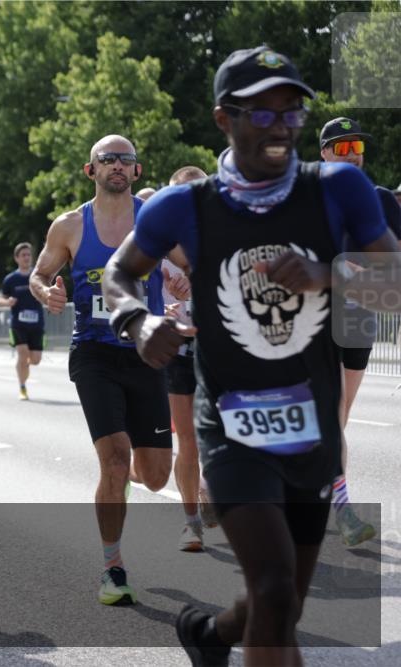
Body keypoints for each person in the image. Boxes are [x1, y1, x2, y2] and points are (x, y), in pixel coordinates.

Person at [101, 46, 398, 665]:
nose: (280, 126)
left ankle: (210, 636)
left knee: (282, 603)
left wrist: (329, 275)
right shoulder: (185, 205)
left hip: (312, 426)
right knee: (273, 589)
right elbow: (119, 273)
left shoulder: (338, 188)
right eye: (261, 113)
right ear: (224, 119)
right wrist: (136, 319)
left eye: (290, 112)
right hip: (232, 424)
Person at [30, 134, 173, 606]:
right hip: (93, 353)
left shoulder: (155, 220)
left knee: (155, 476)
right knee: (113, 460)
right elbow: (40, 274)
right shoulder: (70, 226)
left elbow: (192, 261)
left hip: (146, 353)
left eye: (125, 160)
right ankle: (113, 567)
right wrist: (46, 292)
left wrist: (186, 279)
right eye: (107, 159)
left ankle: (124, 479)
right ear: (90, 170)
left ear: (136, 171)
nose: (117, 165)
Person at [318, 116, 401, 547]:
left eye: (358, 148)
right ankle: (343, 512)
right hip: (314, 319)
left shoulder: (381, 199)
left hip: (359, 319)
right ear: (324, 153)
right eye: (344, 148)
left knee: (340, 419)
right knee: (332, 416)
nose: (354, 155)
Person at [160, 166, 218, 552]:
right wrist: (160, 313)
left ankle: (209, 486)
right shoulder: (155, 245)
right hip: (177, 352)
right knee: (188, 442)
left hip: (218, 352)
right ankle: (191, 523)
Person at [0, 242, 44, 400]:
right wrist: (7, 302)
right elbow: (0, 299)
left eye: (28, 255)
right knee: (22, 355)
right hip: (18, 324)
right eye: (23, 255)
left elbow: (47, 292)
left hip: (37, 324)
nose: (26, 257)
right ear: (16, 258)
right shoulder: (11, 279)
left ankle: (24, 366)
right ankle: (22, 388)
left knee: (35, 360)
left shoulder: (38, 277)